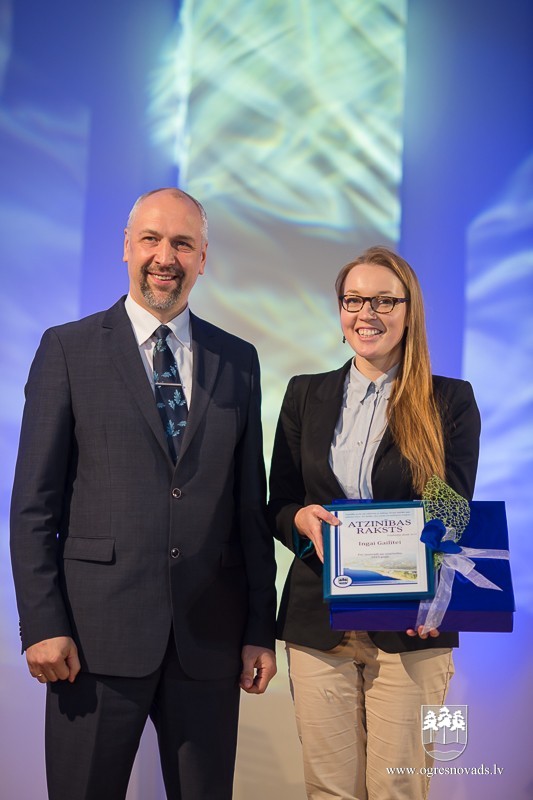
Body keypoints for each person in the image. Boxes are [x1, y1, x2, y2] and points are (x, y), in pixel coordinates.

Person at [10, 187, 277, 800]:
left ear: (203, 258)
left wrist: (259, 627)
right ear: (126, 247)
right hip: (91, 642)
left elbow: (249, 509)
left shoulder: (239, 360)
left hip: (208, 643)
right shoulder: (67, 349)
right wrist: (42, 624)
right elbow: (33, 507)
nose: (165, 256)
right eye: (151, 239)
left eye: (182, 243)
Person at [268, 246, 480, 800]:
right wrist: (299, 520)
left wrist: (436, 595)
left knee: (399, 791)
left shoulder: (449, 400)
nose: (367, 313)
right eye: (354, 300)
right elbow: (280, 502)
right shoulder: (305, 393)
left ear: (410, 311)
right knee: (328, 791)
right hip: (319, 623)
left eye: (385, 300)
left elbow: (453, 510)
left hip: (413, 624)